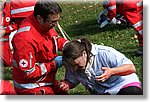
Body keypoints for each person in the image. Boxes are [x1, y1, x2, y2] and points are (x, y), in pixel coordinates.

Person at [12, 0, 68, 95]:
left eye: (57, 20)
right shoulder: (24, 39)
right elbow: (28, 73)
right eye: (53, 22)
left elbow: (53, 39)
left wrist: (68, 45)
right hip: (32, 87)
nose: (56, 24)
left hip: (46, 80)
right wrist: (54, 64)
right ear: (39, 18)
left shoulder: (43, 25)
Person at [60, 38, 142, 95]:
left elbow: (131, 68)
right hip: (102, 92)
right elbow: (72, 80)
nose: (75, 68)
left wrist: (112, 71)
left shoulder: (104, 53)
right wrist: (67, 84)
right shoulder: (72, 63)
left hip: (123, 84)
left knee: (132, 93)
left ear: (84, 53)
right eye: (72, 66)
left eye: (77, 65)